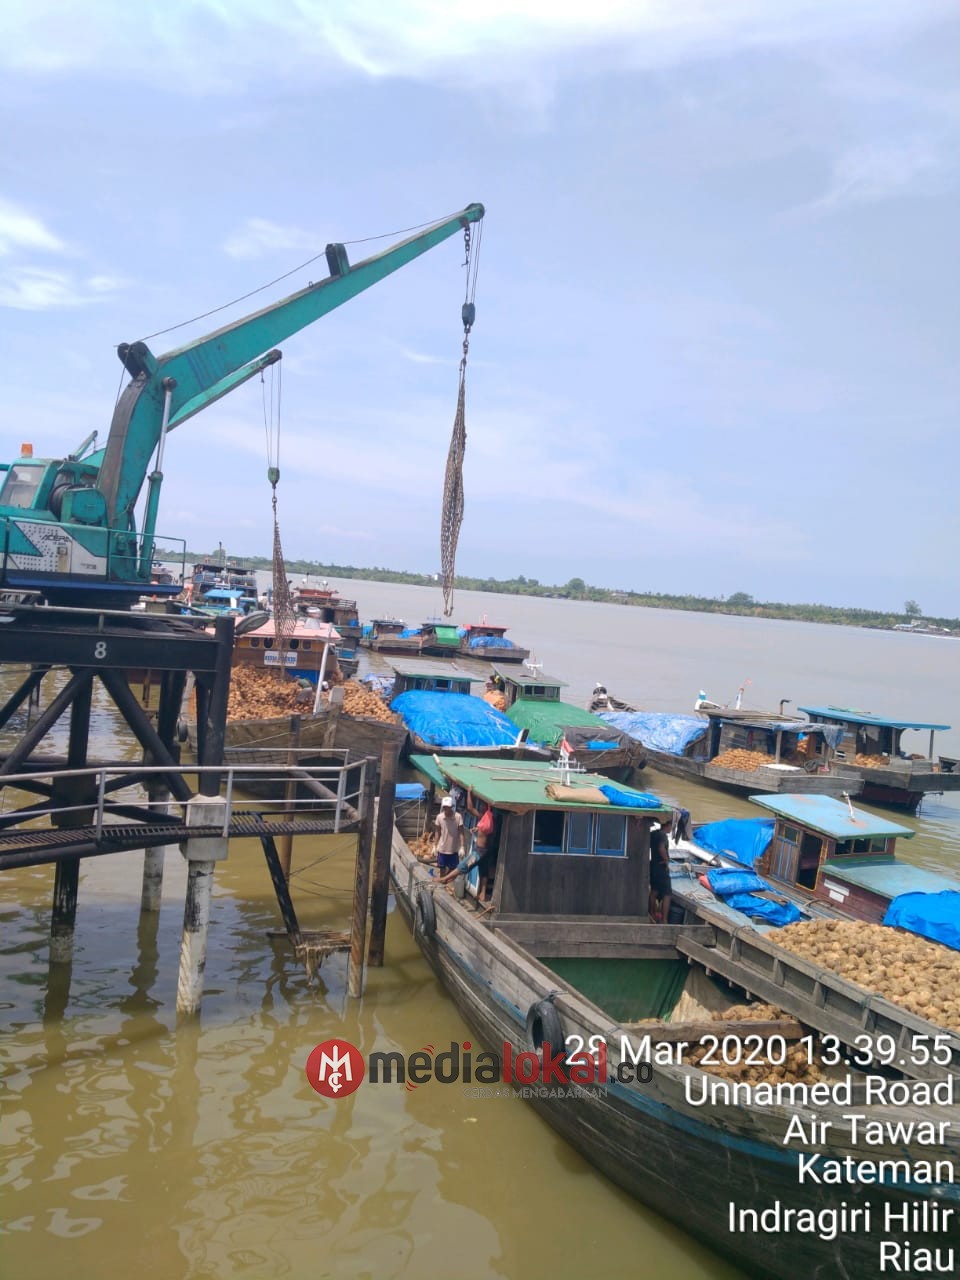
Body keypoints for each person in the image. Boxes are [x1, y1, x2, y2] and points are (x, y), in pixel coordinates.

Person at [433, 796, 465, 875]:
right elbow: (437, 832)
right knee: (442, 868)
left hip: (453, 849)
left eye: (448, 807)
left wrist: (462, 846)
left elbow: (461, 832)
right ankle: (442, 882)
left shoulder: (458, 817)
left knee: (453, 869)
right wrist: (434, 845)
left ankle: (446, 881)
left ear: (451, 807)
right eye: (444, 807)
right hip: (442, 848)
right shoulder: (439, 817)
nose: (446, 809)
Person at [649, 825, 672, 923]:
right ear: (668, 824)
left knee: (654, 891)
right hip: (660, 866)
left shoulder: (653, 834)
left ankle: (652, 914)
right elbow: (661, 848)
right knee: (667, 894)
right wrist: (666, 861)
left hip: (653, 866)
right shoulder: (663, 835)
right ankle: (664, 920)